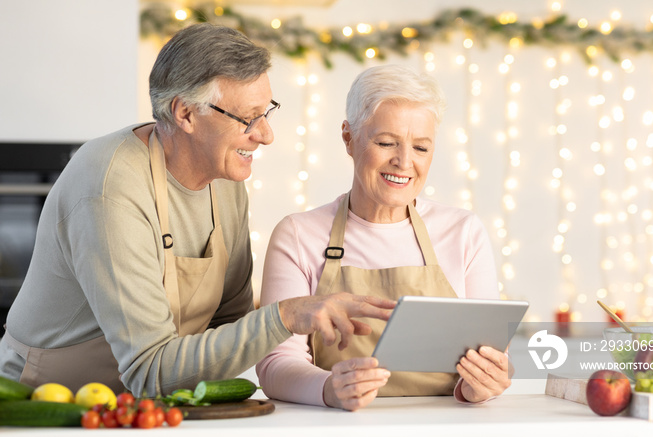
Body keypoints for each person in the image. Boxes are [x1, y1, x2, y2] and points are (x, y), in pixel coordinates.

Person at [0, 23, 395, 397]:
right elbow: (149, 369)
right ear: (185, 114)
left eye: (267, 111)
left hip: (155, 399)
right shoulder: (109, 187)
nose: (265, 134)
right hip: (47, 400)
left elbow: (231, 326)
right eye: (247, 118)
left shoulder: (224, 180)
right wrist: (285, 316)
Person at [256, 64, 511, 411]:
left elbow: (495, 357)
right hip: (338, 428)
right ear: (348, 138)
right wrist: (330, 388)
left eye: (421, 148)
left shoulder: (463, 231)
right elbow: (274, 365)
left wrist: (483, 386)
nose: (404, 162)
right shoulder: (299, 235)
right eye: (386, 142)